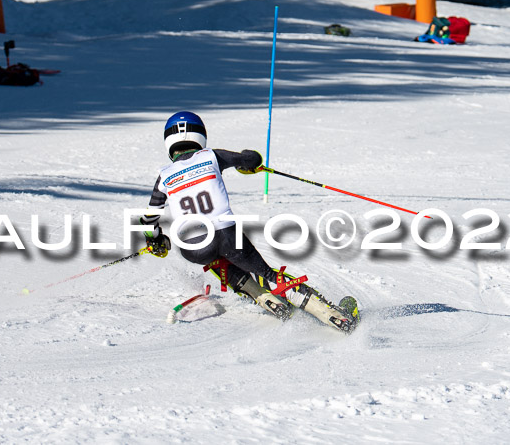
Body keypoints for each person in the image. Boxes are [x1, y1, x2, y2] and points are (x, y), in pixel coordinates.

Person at [139, 111, 358, 333]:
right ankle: (336, 316)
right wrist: (249, 164)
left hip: (190, 247)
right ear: (200, 136)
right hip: (225, 235)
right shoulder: (211, 156)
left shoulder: (164, 175)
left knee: (217, 260)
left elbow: (148, 220)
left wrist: (157, 241)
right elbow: (250, 158)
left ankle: (264, 299)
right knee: (268, 274)